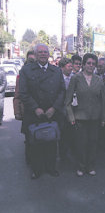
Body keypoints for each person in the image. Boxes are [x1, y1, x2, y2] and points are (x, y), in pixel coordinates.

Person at [19, 43, 65, 179]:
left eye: (45, 52)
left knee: (51, 142)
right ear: (35, 54)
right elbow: (23, 92)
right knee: (35, 143)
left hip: (52, 112)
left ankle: (51, 167)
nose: (43, 54)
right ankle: (37, 169)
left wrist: (54, 108)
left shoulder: (56, 71)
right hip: (34, 113)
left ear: (49, 54)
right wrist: (35, 108)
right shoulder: (26, 70)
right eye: (40, 52)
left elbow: (62, 91)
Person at [66, 53, 105, 177]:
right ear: (83, 64)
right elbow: (67, 101)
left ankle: (90, 166)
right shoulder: (76, 78)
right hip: (80, 117)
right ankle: (81, 166)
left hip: (95, 117)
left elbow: (103, 100)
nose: (91, 65)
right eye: (88, 63)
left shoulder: (99, 80)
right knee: (81, 143)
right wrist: (71, 117)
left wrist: (104, 117)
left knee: (93, 143)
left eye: (93, 64)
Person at [13, 50, 36, 164]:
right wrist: (17, 112)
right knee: (29, 139)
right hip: (27, 112)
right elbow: (17, 95)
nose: (32, 63)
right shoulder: (21, 75)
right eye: (30, 60)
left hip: (39, 112)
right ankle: (30, 161)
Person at [58, 57, 74, 161]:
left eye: (71, 66)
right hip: (61, 110)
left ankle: (70, 151)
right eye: (69, 66)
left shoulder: (74, 77)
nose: (71, 68)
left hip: (72, 110)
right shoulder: (58, 78)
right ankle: (62, 153)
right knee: (62, 133)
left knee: (70, 132)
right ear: (62, 67)